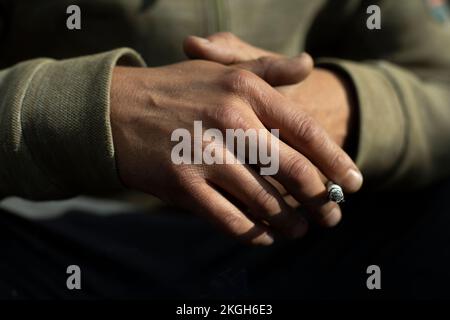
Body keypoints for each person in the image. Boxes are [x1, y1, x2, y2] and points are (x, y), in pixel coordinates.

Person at [0, 0, 449, 298]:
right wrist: (101, 111)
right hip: (50, 239)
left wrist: (333, 106)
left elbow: (440, 80)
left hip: (286, 234)